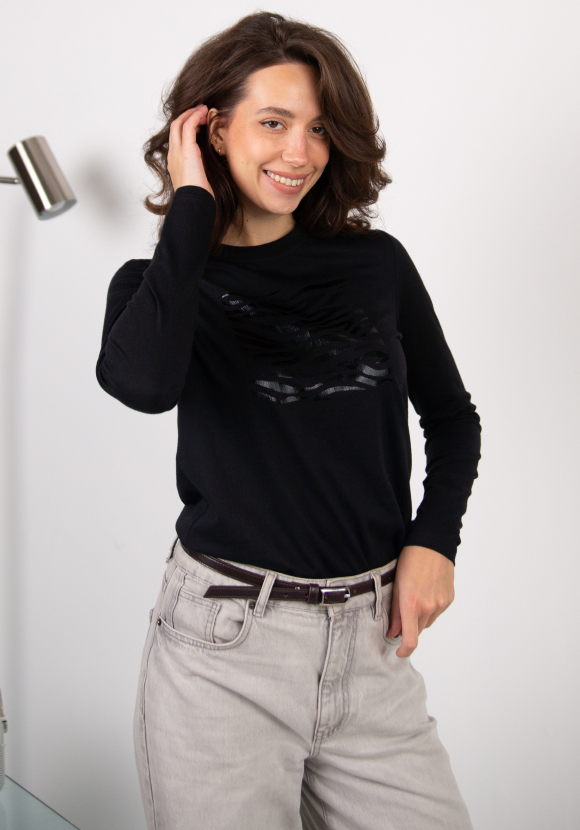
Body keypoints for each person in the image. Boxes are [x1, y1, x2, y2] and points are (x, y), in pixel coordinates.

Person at [96, 11, 481, 830]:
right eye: (273, 123)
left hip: (372, 645)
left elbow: (452, 417)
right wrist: (192, 203)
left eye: (319, 129)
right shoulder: (155, 288)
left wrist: (435, 540)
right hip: (225, 650)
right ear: (211, 128)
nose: (299, 153)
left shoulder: (375, 264)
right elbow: (143, 386)